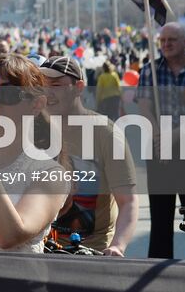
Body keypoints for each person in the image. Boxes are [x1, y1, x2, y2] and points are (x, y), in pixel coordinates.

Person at [0, 54, 69, 252]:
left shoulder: (51, 173)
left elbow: (8, 235)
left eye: (7, 93)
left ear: (37, 104)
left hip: (13, 281)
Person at [40, 55, 137, 256]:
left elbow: (128, 202)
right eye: (42, 85)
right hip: (41, 249)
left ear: (79, 87)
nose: (47, 92)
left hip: (91, 252)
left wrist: (118, 245)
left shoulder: (106, 133)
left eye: (56, 85)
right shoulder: (33, 129)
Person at [135, 22, 185, 259]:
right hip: (159, 151)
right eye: (162, 40)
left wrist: (174, 137)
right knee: (160, 218)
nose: (166, 45)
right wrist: (159, 137)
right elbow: (144, 107)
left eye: (172, 40)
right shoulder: (150, 70)